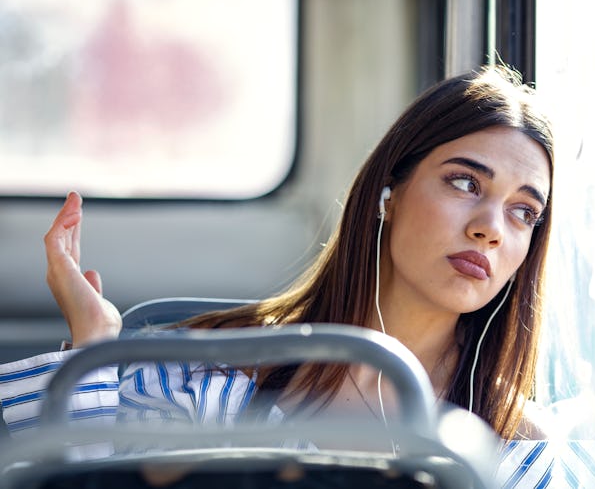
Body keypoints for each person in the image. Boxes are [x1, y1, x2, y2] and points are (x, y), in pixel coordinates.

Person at [0, 65, 556, 485]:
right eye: (465, 183)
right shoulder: (213, 377)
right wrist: (93, 344)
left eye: (523, 212)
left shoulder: (511, 447)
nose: (491, 229)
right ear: (390, 191)